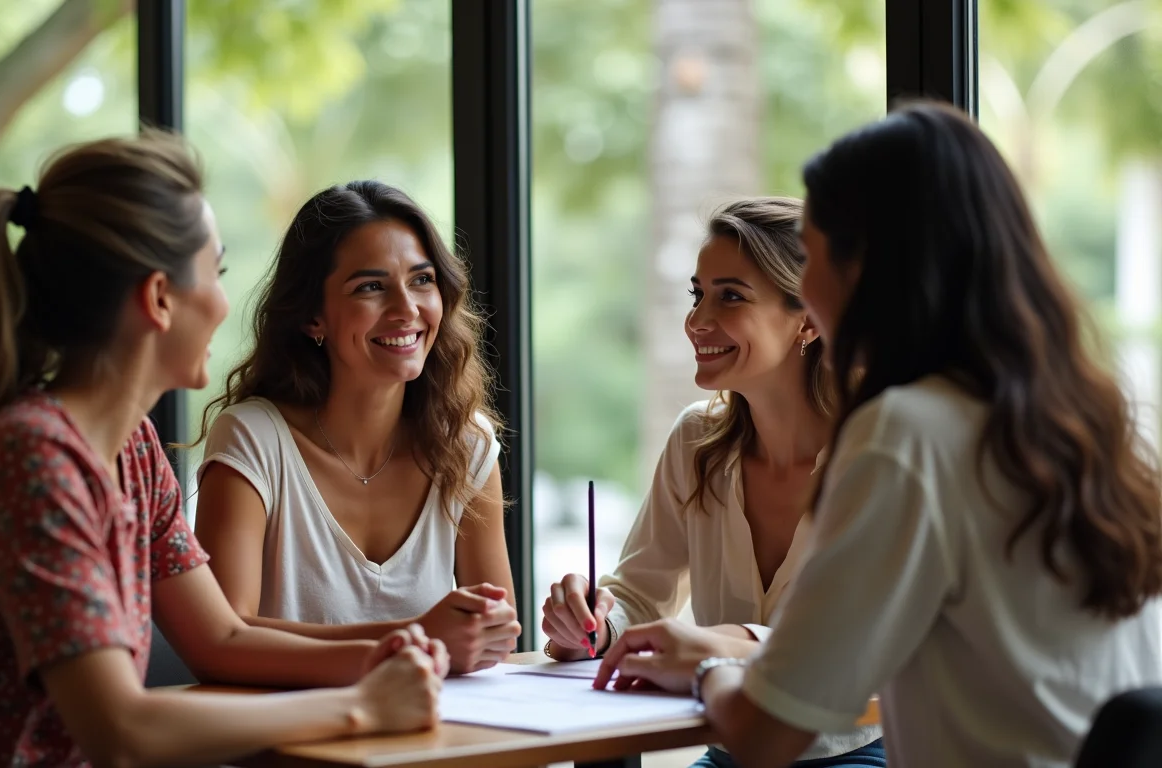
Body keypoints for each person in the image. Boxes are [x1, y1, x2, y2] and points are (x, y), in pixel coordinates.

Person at [593, 101, 1162, 768]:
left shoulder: (905, 435)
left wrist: (705, 666)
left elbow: (766, 733)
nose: (807, 282)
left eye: (818, 252)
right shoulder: (1079, 418)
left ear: (867, 269)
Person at [0, 133, 448, 767]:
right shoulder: (32, 458)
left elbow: (222, 636)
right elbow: (121, 733)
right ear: (158, 299)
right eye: (217, 272)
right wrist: (364, 706)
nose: (224, 302)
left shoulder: (133, 448)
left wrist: (395, 654)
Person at [541, 198, 883, 766]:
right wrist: (596, 623)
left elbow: (857, 641)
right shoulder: (696, 441)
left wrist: (721, 644)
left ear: (808, 317)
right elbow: (639, 595)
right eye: (699, 294)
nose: (697, 321)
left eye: (731, 296)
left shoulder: (878, 448)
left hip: (858, 752)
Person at [192, 180, 520, 675]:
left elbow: (498, 639)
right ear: (311, 318)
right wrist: (417, 637)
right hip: (294, 742)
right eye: (370, 287)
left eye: (422, 280)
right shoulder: (253, 440)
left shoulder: (466, 444)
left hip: (438, 740)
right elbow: (225, 636)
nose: (407, 309)